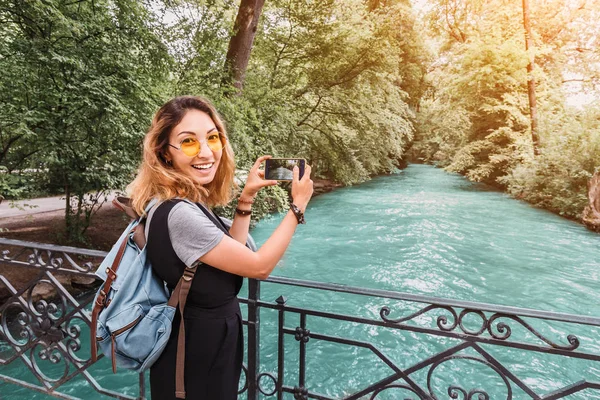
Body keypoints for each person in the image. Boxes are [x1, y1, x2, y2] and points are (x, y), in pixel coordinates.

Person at [126, 95, 313, 399]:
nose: (205, 151)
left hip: (201, 341)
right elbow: (259, 266)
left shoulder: (182, 203)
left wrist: (247, 197)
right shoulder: (181, 214)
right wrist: (297, 207)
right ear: (165, 153)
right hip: (196, 351)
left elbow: (231, 255)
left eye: (212, 138)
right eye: (188, 142)